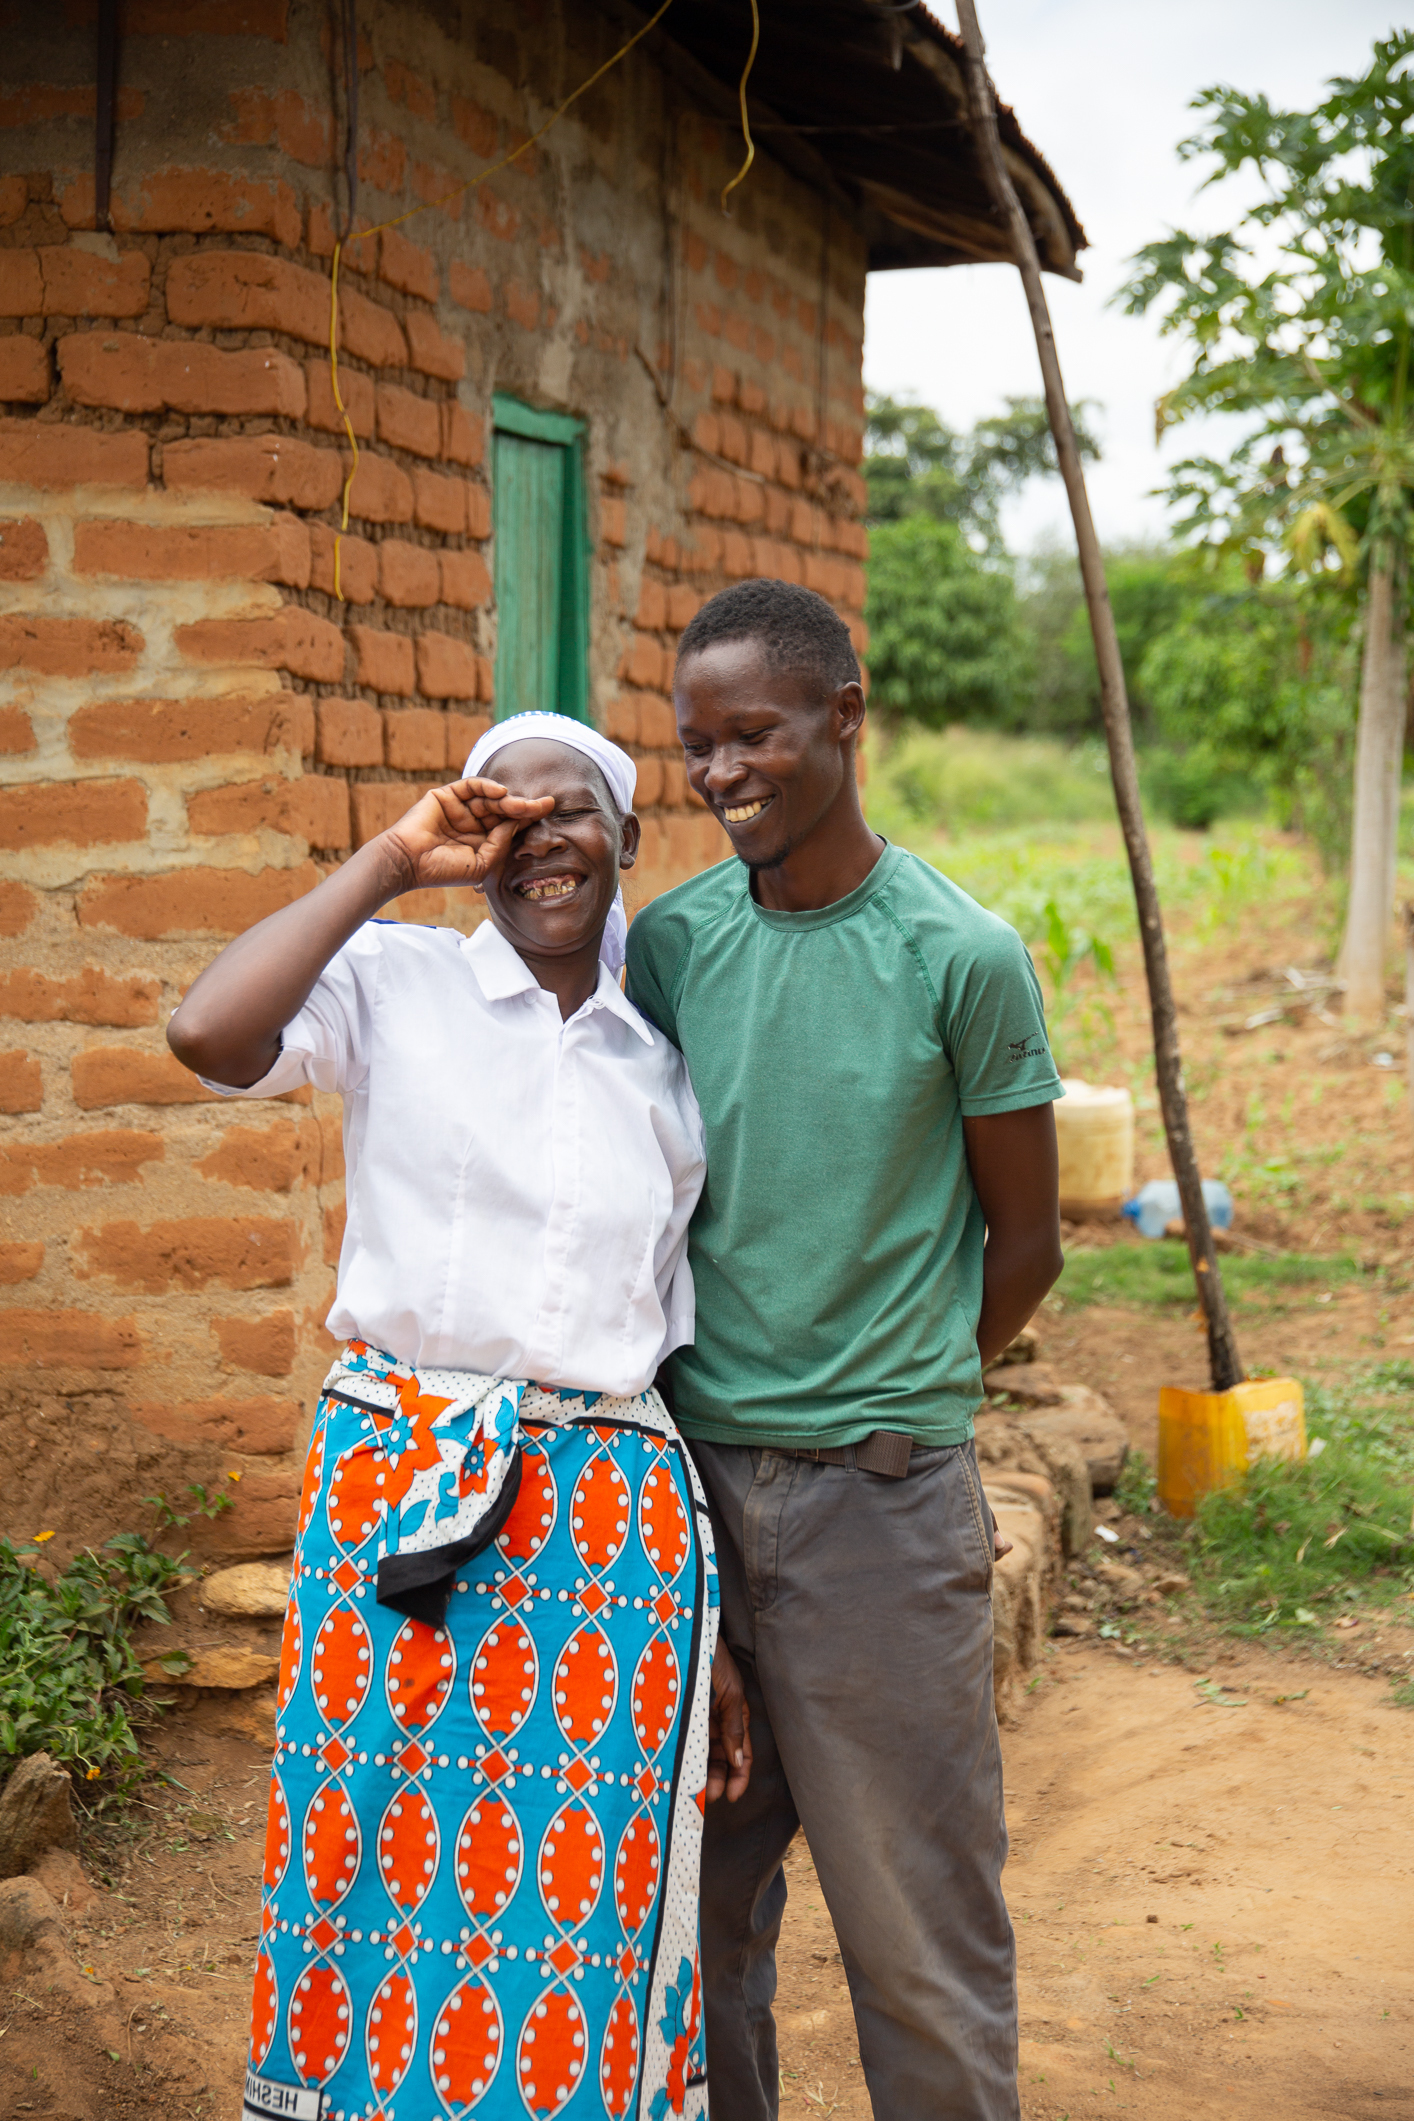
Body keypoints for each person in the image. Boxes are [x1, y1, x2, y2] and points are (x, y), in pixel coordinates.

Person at [169, 712, 751, 2121]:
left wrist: (713, 1630)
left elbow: (666, 1346)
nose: (541, 840)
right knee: (363, 1856)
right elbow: (207, 1034)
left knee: (583, 1900)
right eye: (507, 817)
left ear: (627, 838)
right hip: (399, 1490)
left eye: (573, 812)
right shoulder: (396, 979)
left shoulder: (664, 1065)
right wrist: (391, 859)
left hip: (611, 1543)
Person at [624, 580, 1065, 2121]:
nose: (720, 771)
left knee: (917, 1946)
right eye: (696, 744)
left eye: (752, 733)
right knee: (686, 1934)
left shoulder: (960, 956)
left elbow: (1027, 1241)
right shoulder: (671, 948)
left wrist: (900, 1384)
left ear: (844, 716)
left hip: (881, 1513)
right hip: (683, 1508)